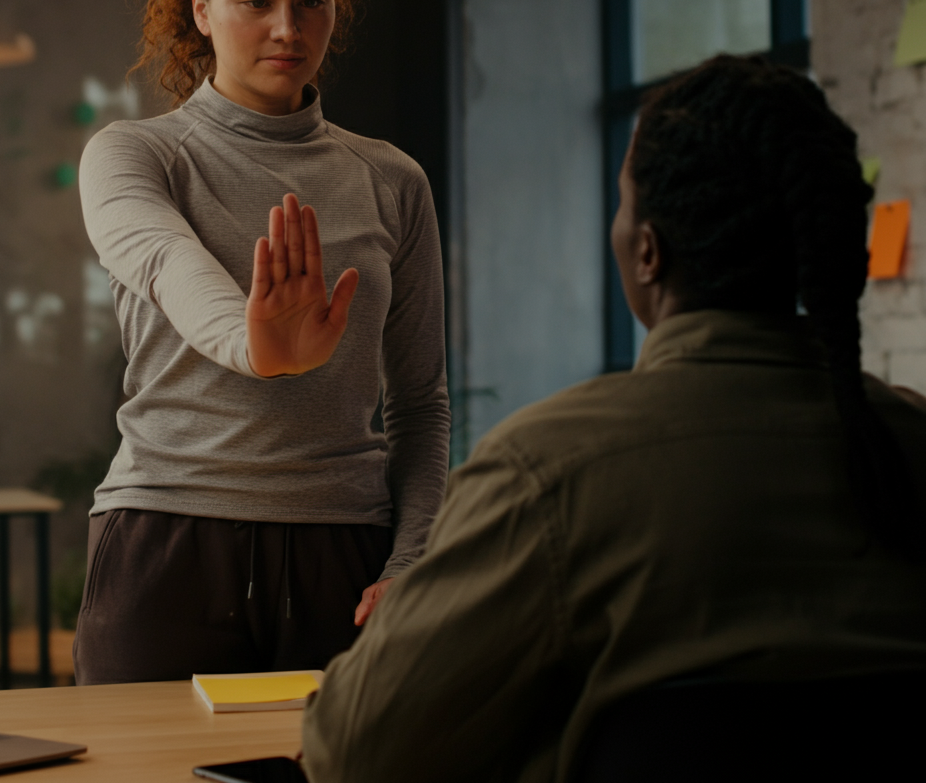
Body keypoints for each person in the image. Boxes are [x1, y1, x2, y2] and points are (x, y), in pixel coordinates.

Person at [300, 56, 926, 783]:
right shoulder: (910, 443)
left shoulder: (549, 478)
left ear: (650, 251)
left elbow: (353, 750)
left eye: (624, 202)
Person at [73, 0, 450, 684]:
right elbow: (171, 265)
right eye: (256, 1)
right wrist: (256, 347)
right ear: (201, 10)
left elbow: (420, 404)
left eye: (311, 0)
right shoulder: (135, 155)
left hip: (342, 557)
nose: (288, 27)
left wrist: (411, 558)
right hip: (166, 543)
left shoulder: (392, 179)